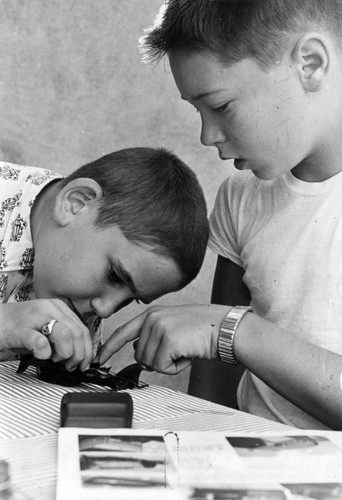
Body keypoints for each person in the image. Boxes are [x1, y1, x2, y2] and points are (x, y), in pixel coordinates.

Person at [98, 0, 342, 430]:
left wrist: (233, 331)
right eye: (198, 110)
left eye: (221, 105)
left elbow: (225, 332)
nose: (207, 135)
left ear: (311, 63)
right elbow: (215, 380)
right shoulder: (240, 199)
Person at [0, 147, 208, 372]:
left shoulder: (80, 299)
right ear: (76, 203)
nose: (105, 310)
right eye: (114, 275)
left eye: (132, 299)